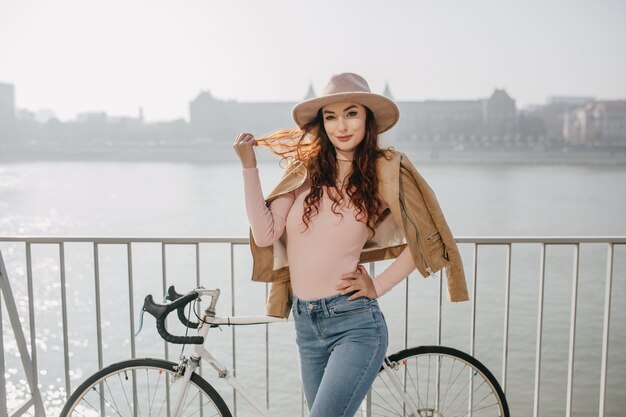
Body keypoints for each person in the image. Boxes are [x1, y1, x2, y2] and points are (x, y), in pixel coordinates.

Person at [233, 72, 468, 417]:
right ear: (321, 124)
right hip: (305, 323)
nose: (341, 126)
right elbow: (266, 234)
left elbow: (426, 238)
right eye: (331, 117)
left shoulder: (385, 171)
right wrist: (249, 167)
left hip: (355, 325)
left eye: (351, 114)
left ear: (367, 118)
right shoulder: (302, 172)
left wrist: (377, 285)